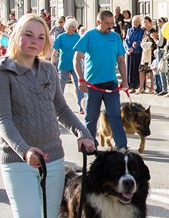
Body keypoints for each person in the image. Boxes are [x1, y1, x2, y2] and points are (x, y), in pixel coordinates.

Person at [0, 13, 95, 218]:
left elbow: (62, 109)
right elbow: (4, 122)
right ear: (16, 36)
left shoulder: (48, 71)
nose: (34, 42)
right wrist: (24, 150)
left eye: (40, 37)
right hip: (18, 160)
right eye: (28, 35)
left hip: (53, 158)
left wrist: (83, 133)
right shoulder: (1, 74)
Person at [73, 10, 129, 149]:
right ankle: (90, 144)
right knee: (91, 117)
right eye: (107, 23)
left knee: (115, 116)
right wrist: (80, 79)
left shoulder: (115, 37)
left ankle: (121, 146)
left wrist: (125, 81)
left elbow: (121, 60)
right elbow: (77, 57)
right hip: (93, 84)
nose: (110, 26)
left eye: (112, 23)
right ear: (99, 22)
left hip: (111, 84)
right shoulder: (89, 35)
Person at [52, 17, 84, 113]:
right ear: (67, 27)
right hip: (64, 64)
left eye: (75, 27)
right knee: (60, 86)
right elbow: (55, 51)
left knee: (79, 85)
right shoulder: (61, 37)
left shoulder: (77, 37)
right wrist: (52, 62)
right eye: (72, 27)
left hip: (75, 64)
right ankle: (57, 106)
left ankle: (81, 106)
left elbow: (81, 50)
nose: (73, 29)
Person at [124, 15, 144, 92]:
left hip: (137, 52)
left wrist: (135, 46)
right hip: (130, 52)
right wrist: (128, 48)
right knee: (129, 69)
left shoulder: (141, 31)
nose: (135, 23)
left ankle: (135, 85)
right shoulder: (129, 30)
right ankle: (129, 85)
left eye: (137, 22)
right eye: (134, 22)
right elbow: (126, 40)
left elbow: (141, 40)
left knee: (135, 69)